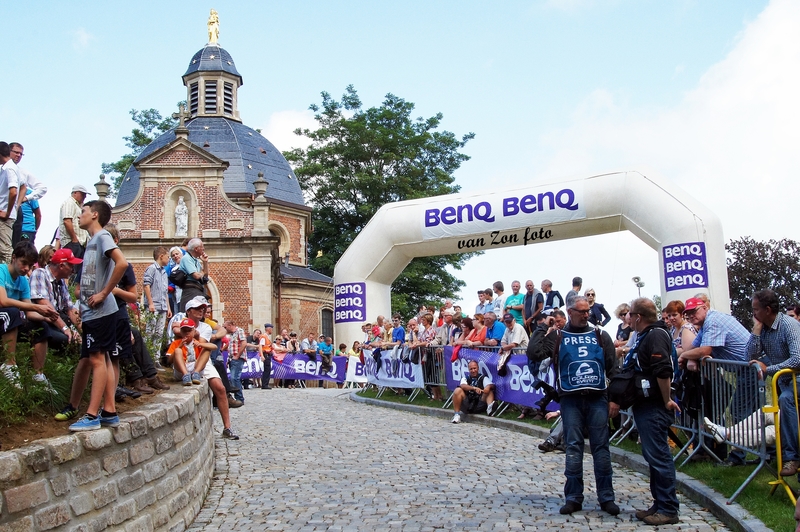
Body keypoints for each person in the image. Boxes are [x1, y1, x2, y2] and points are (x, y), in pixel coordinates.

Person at [538, 295, 619, 516]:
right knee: (573, 447)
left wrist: (615, 399)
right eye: (582, 311)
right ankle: (573, 497)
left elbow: (612, 369)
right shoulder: (558, 336)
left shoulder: (601, 335)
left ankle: (606, 496)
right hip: (570, 400)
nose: (586, 315)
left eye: (588, 311)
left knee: (601, 447)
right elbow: (534, 353)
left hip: (597, 398)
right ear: (570, 312)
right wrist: (544, 325)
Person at [617, 298, 680, 525]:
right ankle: (659, 502)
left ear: (638, 317)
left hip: (655, 404)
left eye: (630, 314)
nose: (628, 318)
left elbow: (662, 370)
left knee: (659, 456)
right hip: (645, 404)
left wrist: (667, 400)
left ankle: (668, 508)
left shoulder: (655, 335)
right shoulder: (646, 335)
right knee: (652, 456)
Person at [68, 200, 128, 432]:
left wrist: (103, 293)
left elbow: (122, 263)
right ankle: (109, 411)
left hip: (101, 311)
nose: (79, 215)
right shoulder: (93, 241)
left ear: (94, 215)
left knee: (97, 360)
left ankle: (92, 415)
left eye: (83, 211)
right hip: (96, 312)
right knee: (102, 359)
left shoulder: (102, 237)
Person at [680, 296, 756, 465]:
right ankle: (769, 453)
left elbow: (704, 350)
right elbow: (694, 347)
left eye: (694, 311)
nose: (691, 316)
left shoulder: (713, 321)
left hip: (750, 368)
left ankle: (738, 457)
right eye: (688, 314)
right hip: (746, 369)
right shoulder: (705, 325)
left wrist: (686, 356)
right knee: (756, 413)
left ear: (705, 308)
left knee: (738, 412)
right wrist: (691, 357)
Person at [746, 289, 800, 476]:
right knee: (783, 404)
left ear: (767, 310)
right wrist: (756, 331)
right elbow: (750, 356)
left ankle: (791, 458)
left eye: (755, 309)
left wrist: (767, 369)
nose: (753, 314)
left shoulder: (789, 325)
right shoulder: (764, 329)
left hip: (796, 380)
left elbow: (797, 359)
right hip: (783, 381)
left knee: (786, 400)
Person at [0, 242, 60, 386]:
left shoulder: (23, 281)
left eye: (30, 265)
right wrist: (36, 308)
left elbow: (29, 313)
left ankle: (38, 375)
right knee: (12, 312)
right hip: (3, 315)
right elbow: (3, 301)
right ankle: (9, 365)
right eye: (23, 263)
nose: (26, 268)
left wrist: (47, 317)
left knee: (40, 327)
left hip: (10, 319)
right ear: (14, 258)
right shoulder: (1, 271)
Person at [169, 318, 239, 440]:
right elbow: (169, 359)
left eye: (189, 331)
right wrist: (179, 346)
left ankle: (227, 427)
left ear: (193, 331)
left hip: (196, 365)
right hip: (182, 368)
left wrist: (200, 344)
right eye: (184, 331)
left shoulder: (199, 338)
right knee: (178, 351)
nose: (186, 334)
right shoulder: (177, 343)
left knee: (207, 350)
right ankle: (186, 375)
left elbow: (212, 346)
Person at [28, 248, 83, 383]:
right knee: (69, 342)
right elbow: (47, 308)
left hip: (56, 322)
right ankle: (51, 379)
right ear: (61, 265)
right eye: (71, 265)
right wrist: (66, 329)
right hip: (41, 322)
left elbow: (70, 309)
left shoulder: (60, 282)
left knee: (87, 343)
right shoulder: (40, 274)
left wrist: (83, 331)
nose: (73, 269)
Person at [8, 143, 47, 246]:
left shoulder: (22, 173)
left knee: (13, 247)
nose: (19, 155)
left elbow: (42, 188)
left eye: (21, 154)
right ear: (8, 151)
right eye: (16, 152)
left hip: (14, 213)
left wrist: (26, 198)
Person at [143, 246, 172, 353]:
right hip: (153, 306)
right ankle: (147, 356)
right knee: (150, 331)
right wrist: (150, 303)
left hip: (162, 306)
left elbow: (165, 292)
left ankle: (156, 357)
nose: (169, 259)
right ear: (161, 256)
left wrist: (168, 307)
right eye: (168, 257)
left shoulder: (164, 272)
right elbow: (146, 285)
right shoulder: (152, 269)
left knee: (159, 333)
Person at [59, 185, 91, 266]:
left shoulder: (78, 205)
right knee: (72, 268)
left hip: (78, 243)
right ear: (75, 193)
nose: (85, 197)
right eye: (83, 194)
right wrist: (74, 239)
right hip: (72, 242)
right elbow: (67, 221)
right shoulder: (69, 203)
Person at [0, 143, 20, 263]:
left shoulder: (9, 168)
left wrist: (8, 212)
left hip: (4, 216)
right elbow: (23, 185)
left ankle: (10, 277)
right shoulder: (8, 167)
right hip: (6, 213)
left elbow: (13, 191)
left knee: (5, 250)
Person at [178, 238, 209, 311]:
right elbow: (196, 276)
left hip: (198, 290)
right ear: (196, 249)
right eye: (202, 246)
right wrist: (202, 273)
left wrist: (205, 262)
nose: (203, 249)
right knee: (191, 314)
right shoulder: (186, 258)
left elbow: (205, 277)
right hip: (190, 292)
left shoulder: (196, 260)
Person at [224, 319, 248, 404]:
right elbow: (230, 348)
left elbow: (244, 343)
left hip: (238, 358)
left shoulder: (239, 331)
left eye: (225, 327)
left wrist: (237, 356)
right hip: (232, 359)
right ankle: (238, 397)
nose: (224, 328)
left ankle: (240, 399)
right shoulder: (231, 335)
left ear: (230, 325)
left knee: (235, 378)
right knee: (233, 378)